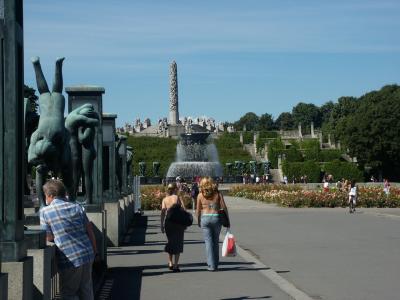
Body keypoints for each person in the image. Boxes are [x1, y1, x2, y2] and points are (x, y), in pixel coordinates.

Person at [40, 179, 97, 300]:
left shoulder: (45, 211)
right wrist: (94, 250)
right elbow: (89, 230)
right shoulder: (77, 206)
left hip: (69, 258)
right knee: (86, 289)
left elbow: (49, 237)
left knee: (68, 293)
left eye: (45, 196)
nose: (46, 199)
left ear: (50, 195)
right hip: (87, 253)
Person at [196, 177, 230, 271]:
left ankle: (211, 265)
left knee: (208, 242)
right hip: (216, 218)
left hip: (205, 219)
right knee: (215, 242)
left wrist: (198, 220)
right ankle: (216, 264)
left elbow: (198, 210)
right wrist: (228, 220)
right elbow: (224, 207)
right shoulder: (217, 194)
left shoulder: (200, 195)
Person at [161, 183, 186, 272]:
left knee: (170, 242)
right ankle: (176, 265)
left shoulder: (164, 199)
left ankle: (170, 262)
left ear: (168, 190)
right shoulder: (177, 198)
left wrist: (161, 224)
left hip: (168, 222)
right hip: (178, 222)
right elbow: (183, 209)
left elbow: (163, 212)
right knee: (178, 242)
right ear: (175, 189)